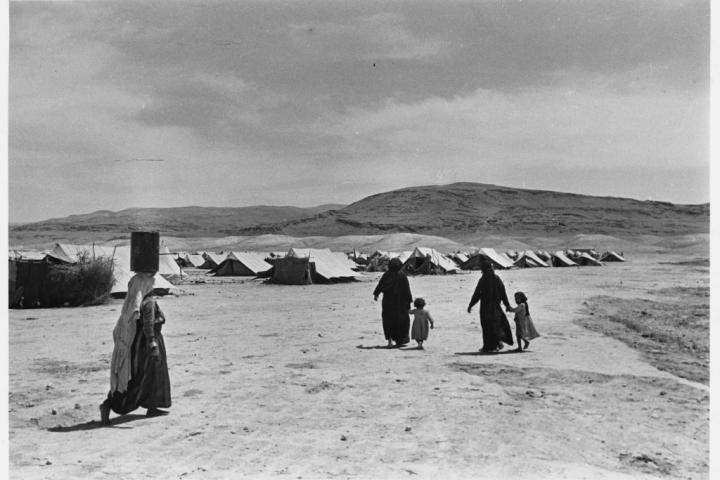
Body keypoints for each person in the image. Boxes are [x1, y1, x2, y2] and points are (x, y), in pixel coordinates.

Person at [100, 272, 171, 424]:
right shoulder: (148, 302)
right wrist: (153, 345)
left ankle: (152, 406)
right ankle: (109, 404)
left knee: (150, 376)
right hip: (147, 345)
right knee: (141, 378)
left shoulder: (134, 304)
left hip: (137, 344)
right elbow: (148, 325)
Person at [466, 261, 514, 352]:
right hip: (496, 307)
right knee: (496, 325)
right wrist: (507, 305)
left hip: (485, 308)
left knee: (487, 327)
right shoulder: (496, 278)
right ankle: (497, 343)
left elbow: (477, 294)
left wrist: (471, 305)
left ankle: (489, 346)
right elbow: (503, 293)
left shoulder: (483, 279)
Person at [373, 257, 413, 348]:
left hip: (388, 302)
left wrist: (376, 294)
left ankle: (390, 341)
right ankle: (400, 341)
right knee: (402, 321)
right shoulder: (402, 275)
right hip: (401, 303)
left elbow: (380, 285)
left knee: (388, 321)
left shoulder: (387, 274)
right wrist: (409, 303)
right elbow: (407, 290)